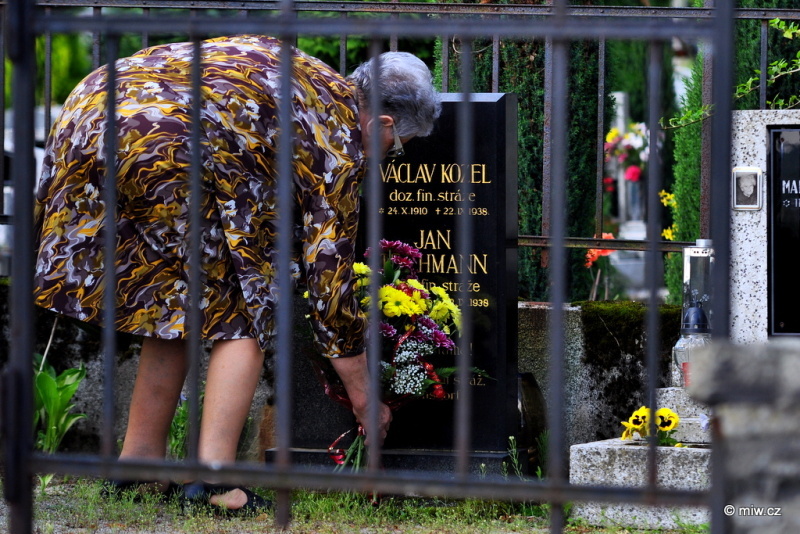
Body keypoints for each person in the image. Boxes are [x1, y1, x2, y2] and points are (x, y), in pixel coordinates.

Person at [33, 35, 441, 513]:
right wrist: (364, 395)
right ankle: (214, 481)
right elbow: (328, 281)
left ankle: (138, 468)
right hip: (168, 141)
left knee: (175, 296)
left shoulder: (306, 74)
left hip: (90, 115)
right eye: (398, 148)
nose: (387, 157)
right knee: (249, 305)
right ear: (383, 123)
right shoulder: (341, 138)